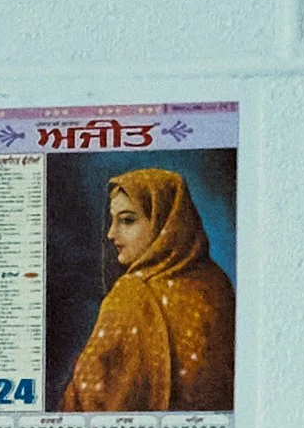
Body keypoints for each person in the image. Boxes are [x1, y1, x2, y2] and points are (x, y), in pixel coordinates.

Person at [58, 167, 235, 412]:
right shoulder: (217, 284)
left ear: (166, 222)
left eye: (127, 220)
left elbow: (86, 402)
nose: (111, 233)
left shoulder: (132, 294)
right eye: (112, 220)